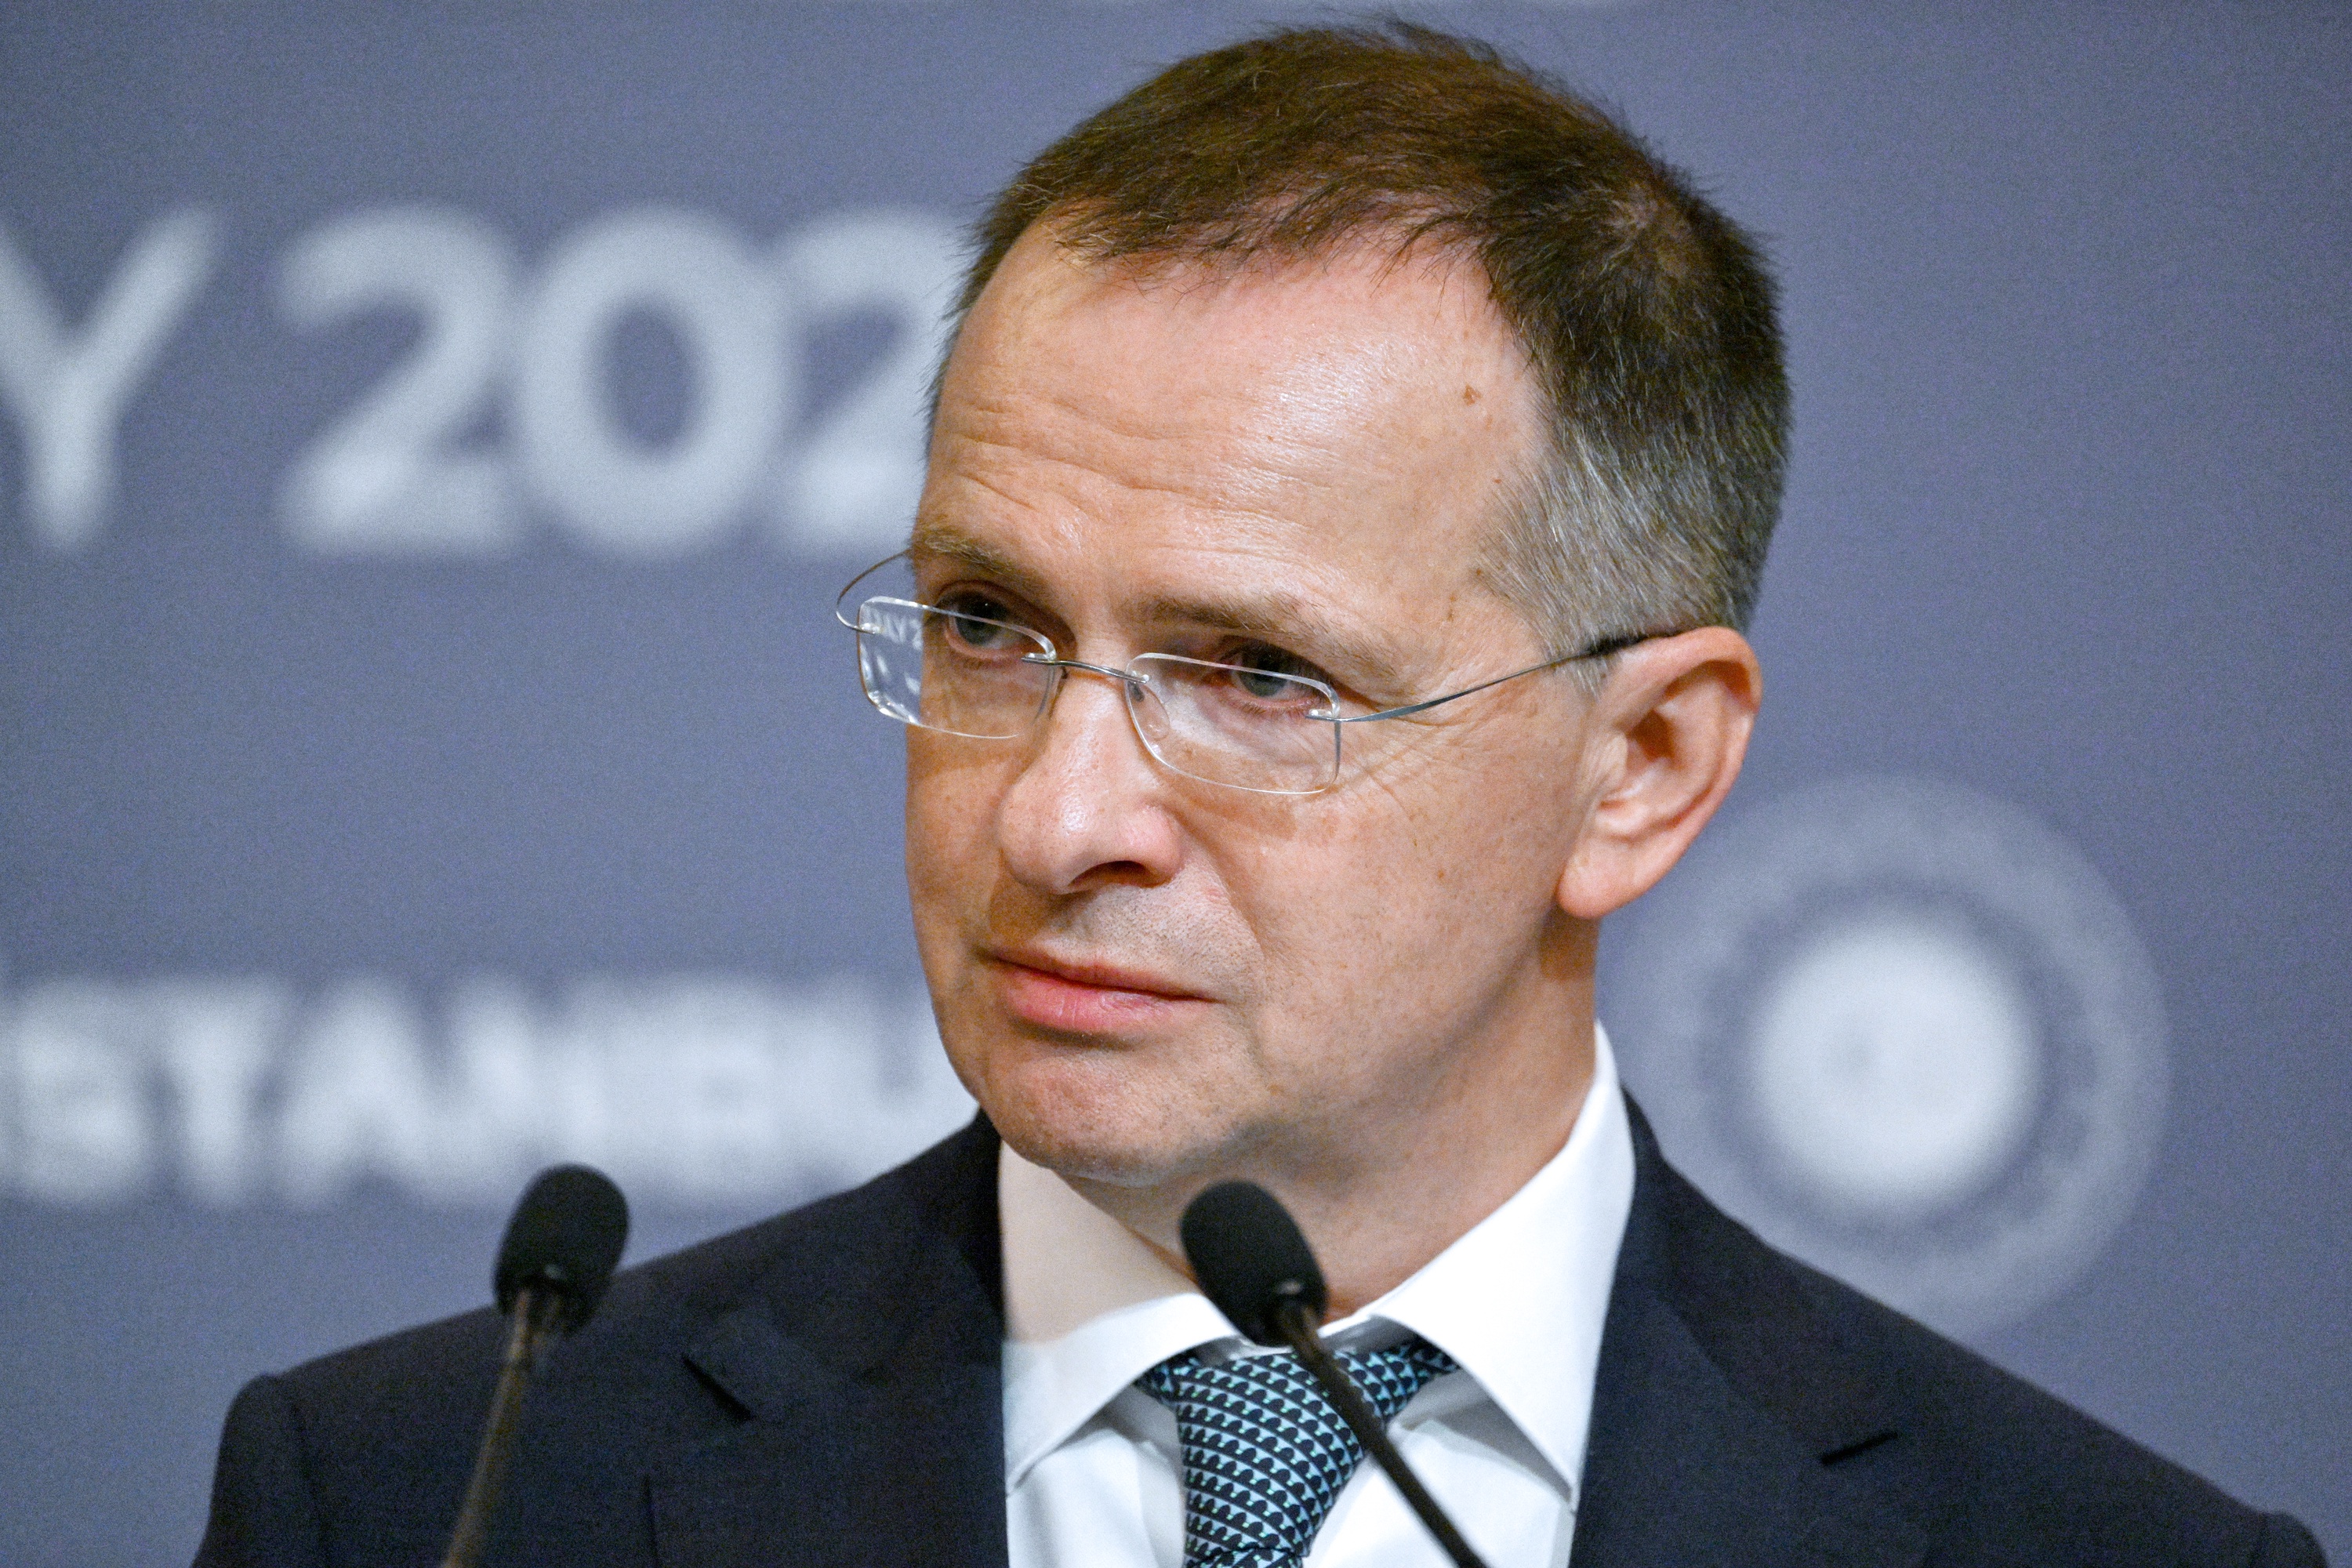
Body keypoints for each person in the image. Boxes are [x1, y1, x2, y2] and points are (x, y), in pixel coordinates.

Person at [195, 24, 2324, 1568]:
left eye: (1259, 678)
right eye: (988, 626)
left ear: (1643, 767)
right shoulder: (430, 1500)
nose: (1056, 823)